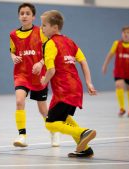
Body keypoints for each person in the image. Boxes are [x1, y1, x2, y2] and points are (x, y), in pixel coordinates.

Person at [40, 10, 97, 158]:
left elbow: (51, 70)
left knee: (50, 123)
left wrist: (43, 81)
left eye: (44, 25)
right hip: (76, 87)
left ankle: (83, 132)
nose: (42, 28)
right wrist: (89, 83)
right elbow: (83, 62)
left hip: (63, 89)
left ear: (55, 27)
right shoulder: (70, 42)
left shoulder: (50, 44)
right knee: (64, 118)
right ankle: (85, 149)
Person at [9, 2, 60, 147]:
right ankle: (22, 135)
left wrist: (41, 63)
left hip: (39, 76)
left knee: (42, 109)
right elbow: (12, 51)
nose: (24, 16)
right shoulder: (13, 35)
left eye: (27, 13)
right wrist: (13, 57)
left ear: (33, 17)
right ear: (19, 16)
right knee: (19, 101)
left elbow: (49, 52)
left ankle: (54, 131)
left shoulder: (41, 33)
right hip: (21, 74)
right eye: (22, 13)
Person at [102, 25, 129, 117]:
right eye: (124, 32)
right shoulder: (116, 44)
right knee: (119, 85)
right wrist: (105, 65)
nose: (126, 34)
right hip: (119, 71)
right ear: (121, 34)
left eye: (128, 33)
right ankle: (122, 108)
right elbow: (110, 55)